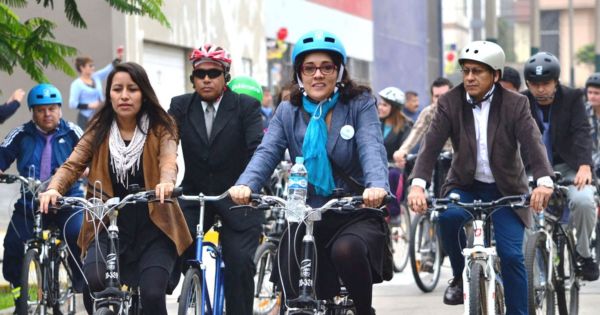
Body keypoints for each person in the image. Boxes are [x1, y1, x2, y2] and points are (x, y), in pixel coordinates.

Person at [229, 30, 390, 315]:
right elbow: (267, 152)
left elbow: (371, 147)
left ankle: (364, 309)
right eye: (309, 68)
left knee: (346, 250)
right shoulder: (286, 111)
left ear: (339, 71)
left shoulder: (359, 104)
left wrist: (376, 185)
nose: (318, 75)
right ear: (299, 74)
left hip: (355, 208)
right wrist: (246, 185)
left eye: (326, 67)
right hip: (308, 209)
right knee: (289, 259)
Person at [406, 41, 554, 314]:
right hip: (465, 185)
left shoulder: (516, 104)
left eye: (478, 72)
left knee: (511, 256)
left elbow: (533, 143)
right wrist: (417, 185)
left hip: (506, 189)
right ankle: (460, 275)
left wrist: (544, 181)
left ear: (495, 75)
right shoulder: (450, 101)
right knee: (448, 217)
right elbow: (431, 145)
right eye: (466, 71)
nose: (470, 77)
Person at [39, 62, 192, 315]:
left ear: (143, 92)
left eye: (132, 89)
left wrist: (166, 182)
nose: (124, 95)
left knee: (153, 294)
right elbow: (72, 164)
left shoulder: (161, 126)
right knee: (93, 285)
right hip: (106, 223)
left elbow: (168, 159)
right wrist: (54, 188)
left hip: (155, 224)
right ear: (108, 94)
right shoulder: (98, 129)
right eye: (117, 89)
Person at [168, 44, 264, 315]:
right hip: (195, 194)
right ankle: (175, 289)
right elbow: (166, 146)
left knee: (240, 261)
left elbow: (258, 149)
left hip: (238, 196)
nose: (207, 79)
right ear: (193, 78)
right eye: (200, 74)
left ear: (226, 76)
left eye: (214, 73)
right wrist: (165, 178)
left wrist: (248, 185)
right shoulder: (180, 105)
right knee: (165, 240)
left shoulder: (246, 106)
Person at [0, 83, 84, 312]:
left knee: (78, 235)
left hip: (68, 202)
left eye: (51, 109)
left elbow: (91, 158)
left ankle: (80, 283)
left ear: (59, 109)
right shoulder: (21, 134)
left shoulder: (73, 132)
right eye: (40, 110)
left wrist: (86, 171)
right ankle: (20, 295)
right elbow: (3, 155)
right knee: (14, 246)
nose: (47, 114)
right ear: (32, 112)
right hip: (31, 203)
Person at [523, 52, 599, 281]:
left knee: (584, 201)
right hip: (532, 168)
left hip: (568, 165)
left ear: (556, 81)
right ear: (527, 84)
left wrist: (585, 166)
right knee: (521, 206)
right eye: (535, 84)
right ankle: (532, 272)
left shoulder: (573, 98)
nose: (541, 89)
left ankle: (584, 254)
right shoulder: (520, 101)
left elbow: (582, 133)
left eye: (546, 83)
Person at [393, 77, 453, 168]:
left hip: (458, 159)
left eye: (444, 95)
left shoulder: (462, 111)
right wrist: (402, 151)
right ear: (432, 98)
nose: (441, 100)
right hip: (433, 158)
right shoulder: (428, 112)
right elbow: (416, 132)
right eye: (437, 96)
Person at [377, 87, 412, 222]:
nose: (380, 107)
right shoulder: (375, 123)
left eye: (384, 105)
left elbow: (407, 146)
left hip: (395, 168)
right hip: (377, 167)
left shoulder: (406, 126)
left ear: (395, 108)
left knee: (393, 175)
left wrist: (402, 156)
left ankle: (393, 212)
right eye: (380, 104)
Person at [69, 50, 123, 129]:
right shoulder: (76, 84)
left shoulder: (96, 77)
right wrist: (89, 105)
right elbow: (72, 103)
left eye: (93, 65)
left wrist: (118, 57)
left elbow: (109, 68)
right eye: (90, 66)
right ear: (82, 68)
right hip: (85, 118)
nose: (93, 68)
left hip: (100, 114)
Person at [586, 72, 600, 175]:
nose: (592, 96)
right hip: (588, 165)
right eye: (590, 92)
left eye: (596, 93)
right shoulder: (582, 111)